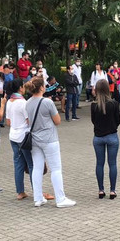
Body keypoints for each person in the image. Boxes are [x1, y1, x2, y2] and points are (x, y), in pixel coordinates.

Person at [24, 78, 76, 207]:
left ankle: (38, 198)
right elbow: (57, 121)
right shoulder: (47, 102)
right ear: (41, 88)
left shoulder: (28, 103)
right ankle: (60, 199)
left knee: (37, 167)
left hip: (35, 140)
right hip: (49, 139)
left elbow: (28, 121)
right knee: (56, 168)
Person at [91, 80, 120, 199]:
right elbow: (118, 120)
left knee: (99, 163)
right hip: (112, 136)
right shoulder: (113, 104)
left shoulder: (94, 105)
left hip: (98, 137)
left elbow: (93, 121)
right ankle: (112, 190)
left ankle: (101, 190)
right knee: (112, 164)